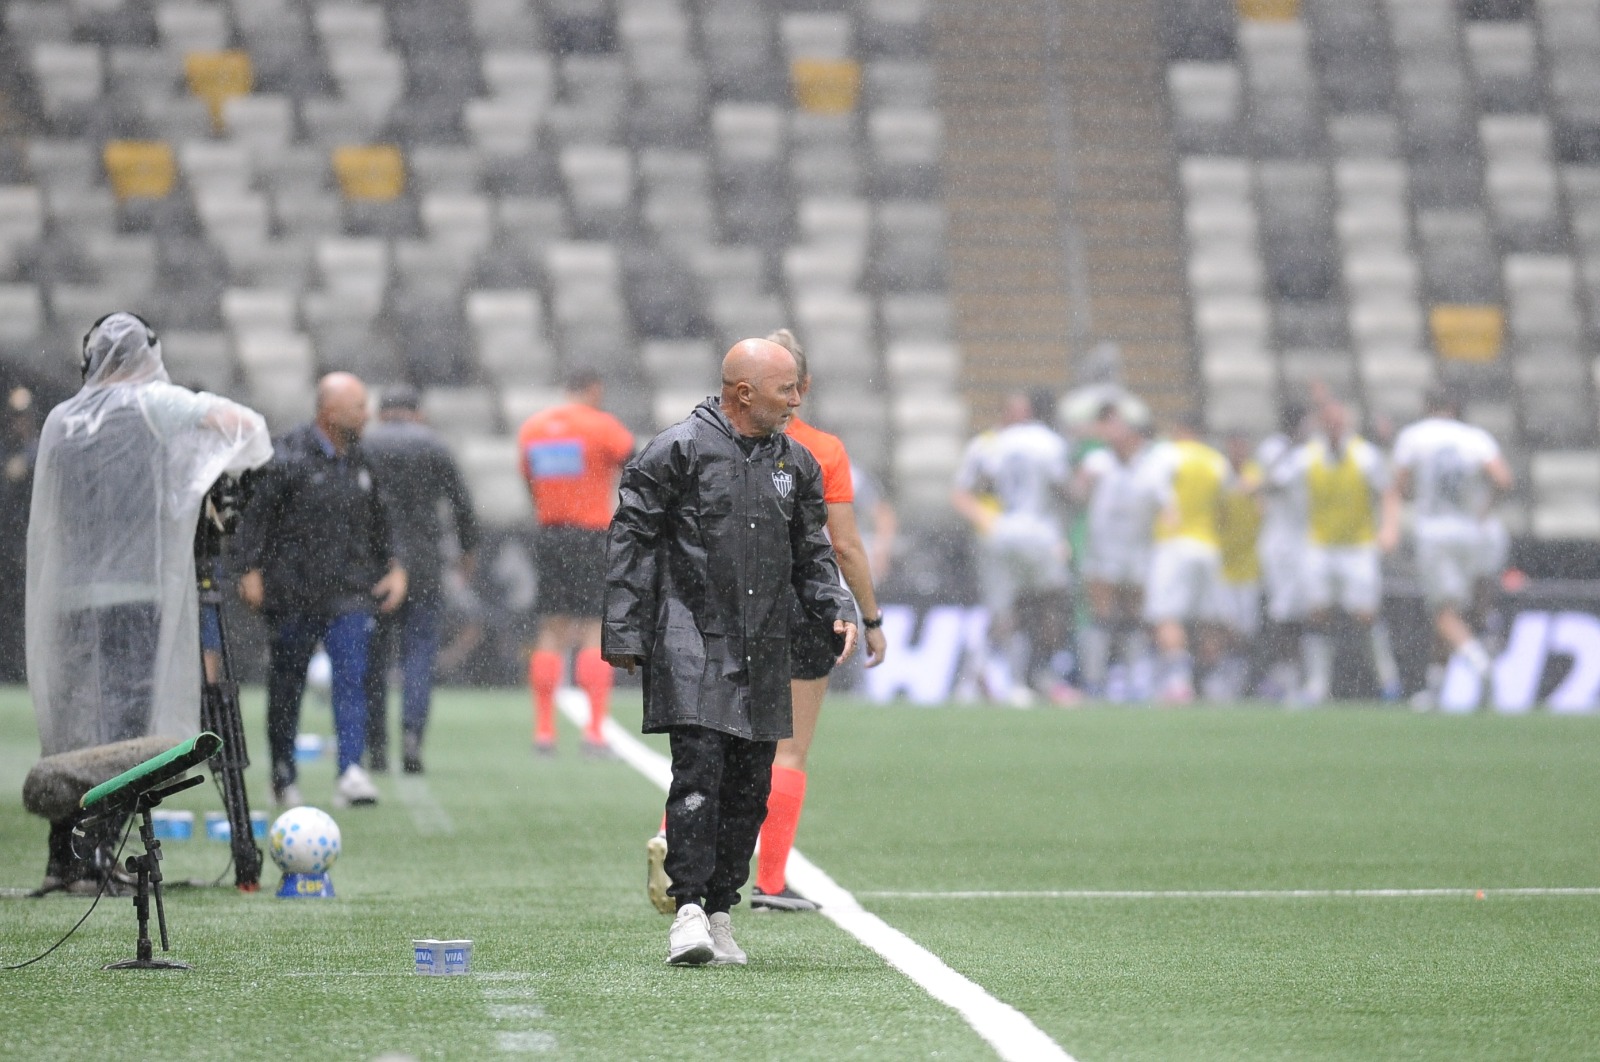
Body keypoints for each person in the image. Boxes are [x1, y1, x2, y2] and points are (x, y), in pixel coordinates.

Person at [604, 338, 855, 967]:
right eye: (786, 388)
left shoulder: (796, 463)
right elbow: (630, 536)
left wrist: (836, 605)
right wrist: (626, 630)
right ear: (743, 393)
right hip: (690, 639)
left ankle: (721, 910)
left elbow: (812, 551)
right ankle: (686, 909)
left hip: (766, 644)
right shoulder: (676, 450)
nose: (797, 399)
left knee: (751, 788)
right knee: (698, 775)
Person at [26, 312, 271, 889]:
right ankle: (100, 851)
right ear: (146, 355)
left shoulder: (62, 418)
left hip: (70, 600)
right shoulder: (153, 404)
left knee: (78, 723)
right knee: (128, 728)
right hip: (136, 595)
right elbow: (246, 429)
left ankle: (66, 853)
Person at [748, 328, 886, 912]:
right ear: (802, 387)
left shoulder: (718, 441)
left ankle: (673, 837)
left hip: (736, 603)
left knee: (721, 739)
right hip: (802, 603)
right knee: (790, 749)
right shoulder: (821, 450)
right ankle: (771, 883)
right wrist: (870, 616)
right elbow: (847, 546)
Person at [238, 372, 408, 809]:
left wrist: (396, 566)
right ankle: (283, 774)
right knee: (287, 683)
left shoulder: (363, 461)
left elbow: (383, 518)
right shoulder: (287, 454)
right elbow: (256, 515)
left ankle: (351, 770)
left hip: (349, 591)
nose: (367, 415)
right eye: (358, 407)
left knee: (353, 679)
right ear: (329, 412)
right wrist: (249, 568)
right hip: (292, 591)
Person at [361, 386, 479, 775]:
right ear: (418, 413)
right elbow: (462, 504)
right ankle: (412, 739)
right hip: (426, 564)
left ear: (381, 412)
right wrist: (467, 551)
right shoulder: (434, 445)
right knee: (419, 654)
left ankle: (375, 746)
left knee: (374, 658)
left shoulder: (366, 444)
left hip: (375, 563)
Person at [517, 369, 635, 755]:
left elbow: (529, 481)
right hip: (590, 536)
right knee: (591, 629)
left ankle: (544, 731)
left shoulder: (532, 429)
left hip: (549, 535)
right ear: (594, 389)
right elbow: (635, 466)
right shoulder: (601, 426)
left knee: (550, 630)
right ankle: (595, 731)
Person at [1381, 387, 1514, 710]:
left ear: (1427, 407)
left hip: (1436, 533)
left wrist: (1390, 528)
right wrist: (1484, 510)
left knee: (1443, 613)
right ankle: (1437, 688)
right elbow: (1503, 479)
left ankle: (1480, 663)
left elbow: (1397, 488)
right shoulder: (1475, 438)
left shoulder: (1414, 437)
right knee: (1459, 611)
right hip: (1473, 533)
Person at [1273, 399, 1401, 704]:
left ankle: (1388, 680)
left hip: (1357, 546)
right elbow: (1277, 480)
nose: (1333, 426)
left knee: (1365, 614)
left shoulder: (1364, 456)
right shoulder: (1307, 456)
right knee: (1318, 612)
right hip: (1320, 545)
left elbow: (1388, 492)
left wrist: (1390, 528)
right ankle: (1316, 686)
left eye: (1337, 420)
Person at [950, 391, 1074, 706]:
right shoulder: (1048, 442)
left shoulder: (993, 444)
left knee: (1008, 610)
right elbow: (1064, 488)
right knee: (1049, 602)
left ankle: (993, 675)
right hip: (1035, 533)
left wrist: (991, 521)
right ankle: (1036, 673)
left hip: (1002, 534)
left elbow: (978, 484)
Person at [1138, 413, 1230, 703]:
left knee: (1168, 615)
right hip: (1208, 545)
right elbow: (1224, 509)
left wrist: (1168, 509)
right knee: (1207, 618)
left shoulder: (1168, 454)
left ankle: (1179, 682)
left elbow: (1150, 488)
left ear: (1180, 430)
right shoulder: (1217, 461)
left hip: (1174, 543)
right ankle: (1213, 682)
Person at [1073, 401, 1154, 700]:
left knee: (1134, 618)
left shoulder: (1148, 463)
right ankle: (1094, 681)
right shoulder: (1097, 461)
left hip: (1135, 548)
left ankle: (1134, 683)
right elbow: (1077, 494)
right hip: (1103, 548)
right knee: (1102, 615)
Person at [1252, 404, 1311, 697]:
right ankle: (1280, 675)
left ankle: (1294, 675)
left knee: (1300, 610)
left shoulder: (1308, 453)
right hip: (1281, 543)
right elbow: (1274, 482)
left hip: (1302, 540)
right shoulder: (1278, 450)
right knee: (1283, 610)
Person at [1213, 432, 1263, 700]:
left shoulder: (1255, 476)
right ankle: (1222, 677)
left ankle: (1242, 680)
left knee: (1245, 630)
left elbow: (1263, 510)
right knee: (1225, 626)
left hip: (1249, 565)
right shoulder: (1218, 476)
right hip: (1222, 565)